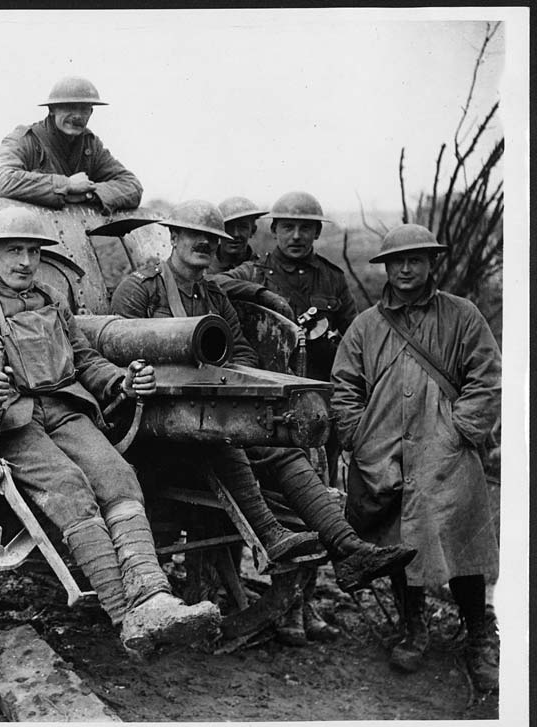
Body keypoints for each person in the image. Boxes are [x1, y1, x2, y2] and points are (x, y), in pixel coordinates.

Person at [109, 200, 416, 642]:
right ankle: (273, 536)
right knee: (230, 436)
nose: (203, 244)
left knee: (278, 442)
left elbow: (241, 353)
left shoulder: (214, 296)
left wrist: (231, 378)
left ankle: (350, 549)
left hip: (206, 417)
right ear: (172, 238)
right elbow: (119, 357)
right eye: (193, 235)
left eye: (210, 239)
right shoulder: (140, 290)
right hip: (152, 428)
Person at [0, 206, 217, 655]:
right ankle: (127, 617)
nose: (26, 261)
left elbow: (84, 359)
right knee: (69, 489)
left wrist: (121, 379)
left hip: (65, 408)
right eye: (14, 251)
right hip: (9, 422)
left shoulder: (51, 298)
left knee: (119, 477)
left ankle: (155, 597)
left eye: (33, 251)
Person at [332, 224, 501, 690]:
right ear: (386, 267)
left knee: (462, 540)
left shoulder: (462, 316)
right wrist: (357, 436)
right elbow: (345, 385)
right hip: (384, 455)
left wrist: (459, 430)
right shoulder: (366, 326)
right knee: (398, 542)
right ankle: (413, 626)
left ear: (432, 263)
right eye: (397, 260)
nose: (405, 268)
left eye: (416, 259)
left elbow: (486, 377)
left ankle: (478, 632)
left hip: (446, 453)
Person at [214, 191, 358, 487]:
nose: (296, 236)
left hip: (322, 401)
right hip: (274, 406)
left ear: (317, 232)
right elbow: (213, 282)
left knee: (325, 485)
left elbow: (356, 341)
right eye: (287, 227)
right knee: (279, 483)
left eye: (305, 228)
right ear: (273, 230)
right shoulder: (255, 272)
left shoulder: (332, 278)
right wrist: (263, 295)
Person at [0, 76, 142, 213]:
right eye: (69, 107)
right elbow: (4, 181)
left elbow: (132, 186)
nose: (77, 116)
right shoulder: (24, 139)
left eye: (84, 109)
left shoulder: (91, 145)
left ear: (91, 112)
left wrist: (88, 194)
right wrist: (67, 185)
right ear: (52, 110)